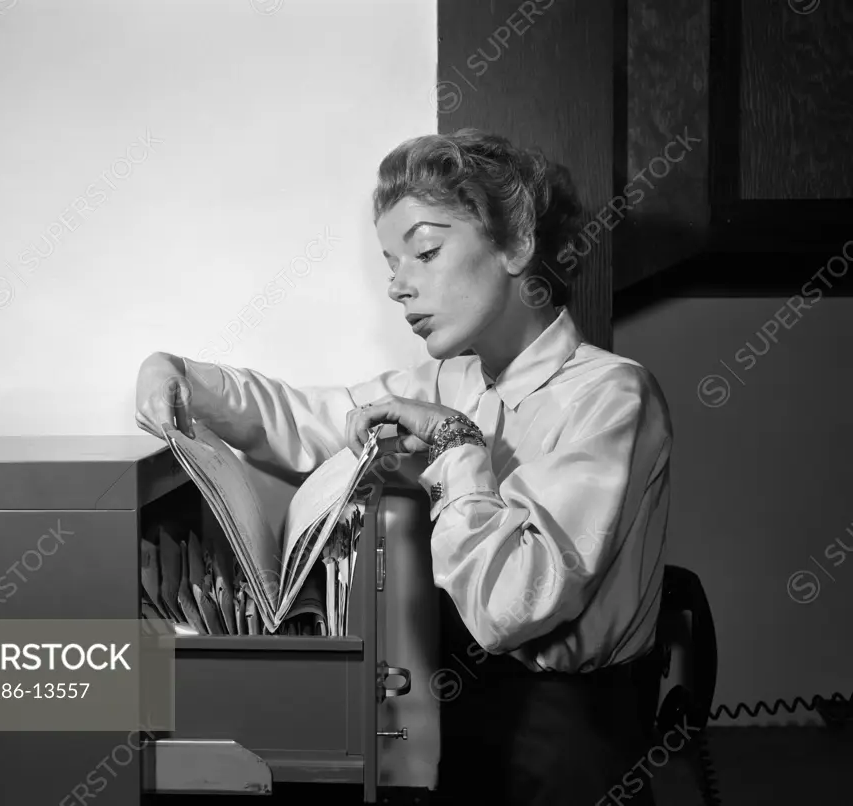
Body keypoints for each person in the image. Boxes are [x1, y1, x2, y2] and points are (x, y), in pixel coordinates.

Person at [135, 128, 671, 805]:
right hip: (456, 723)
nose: (397, 285)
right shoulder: (449, 379)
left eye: (425, 250)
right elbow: (304, 417)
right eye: (391, 261)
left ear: (516, 245)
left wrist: (454, 443)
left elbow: (512, 607)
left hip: (570, 745)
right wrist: (180, 373)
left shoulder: (612, 395)